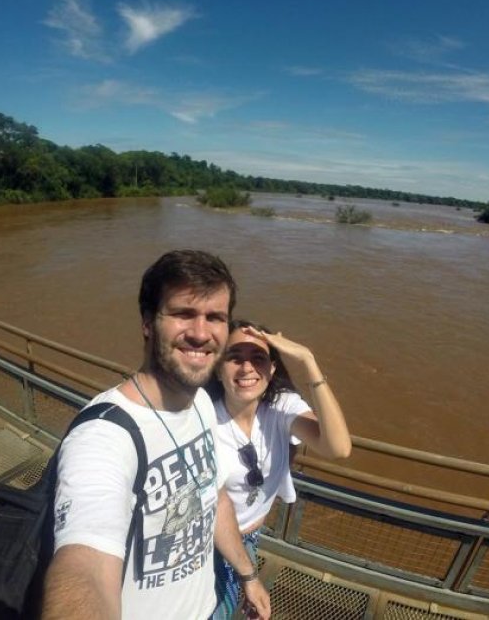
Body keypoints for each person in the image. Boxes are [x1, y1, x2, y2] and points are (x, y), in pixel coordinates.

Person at [43, 250, 270, 620]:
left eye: (215, 317)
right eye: (183, 314)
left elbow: (215, 500)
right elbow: (84, 568)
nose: (200, 333)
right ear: (148, 322)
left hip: (210, 608)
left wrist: (248, 575)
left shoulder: (200, 404)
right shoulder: (104, 436)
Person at [209, 320, 351, 619]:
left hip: (248, 538)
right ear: (218, 368)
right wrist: (249, 577)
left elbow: (338, 448)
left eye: (258, 358)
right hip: (206, 542)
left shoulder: (281, 406)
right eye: (235, 357)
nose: (247, 367)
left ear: (272, 369)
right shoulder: (204, 419)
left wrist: (308, 361)